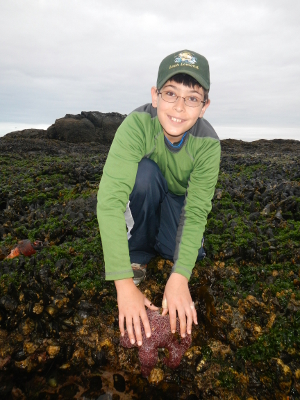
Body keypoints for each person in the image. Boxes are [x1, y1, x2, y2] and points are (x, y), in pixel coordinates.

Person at [97, 49, 221, 347]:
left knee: (183, 253)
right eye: (170, 93)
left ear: (204, 106)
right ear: (155, 96)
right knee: (144, 174)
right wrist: (123, 284)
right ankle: (137, 254)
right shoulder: (137, 125)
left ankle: (160, 240)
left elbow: (197, 210)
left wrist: (179, 276)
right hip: (148, 191)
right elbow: (110, 201)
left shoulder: (208, 143)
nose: (179, 107)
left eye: (192, 98)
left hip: (178, 203)